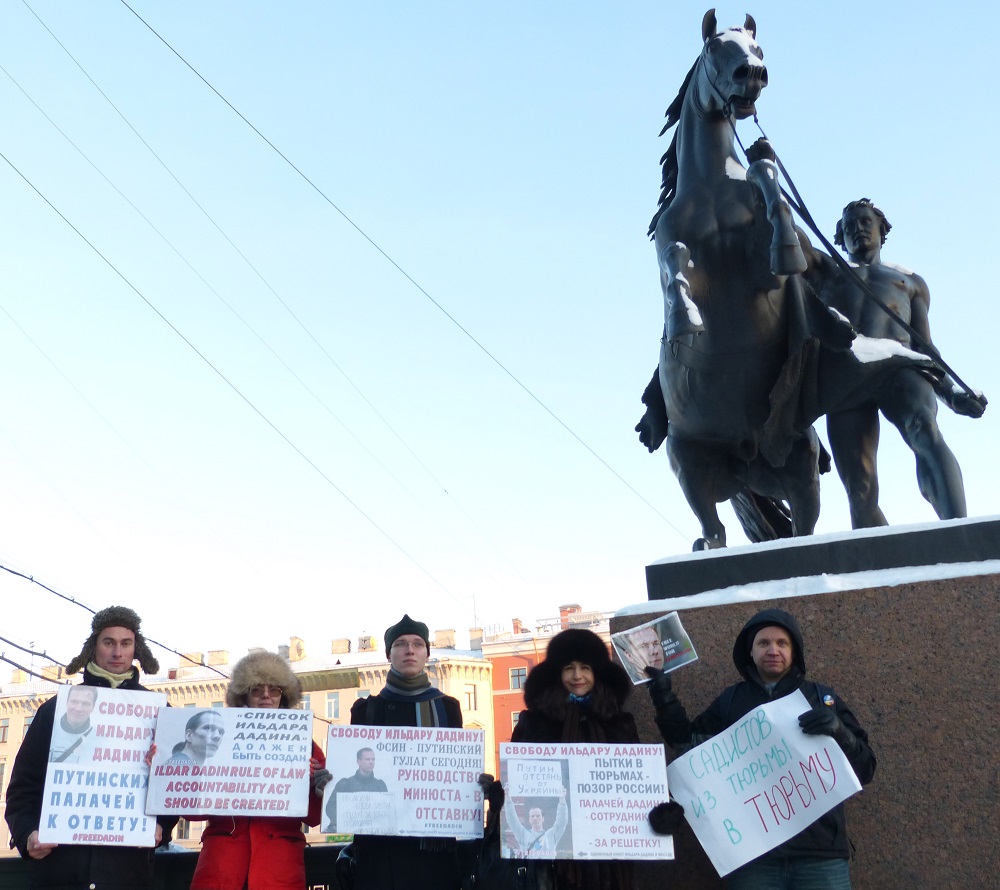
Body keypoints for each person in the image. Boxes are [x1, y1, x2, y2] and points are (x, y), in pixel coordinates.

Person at [646, 608, 876, 889]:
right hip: (754, 858)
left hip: (820, 854)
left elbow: (865, 769)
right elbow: (687, 746)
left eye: (782, 643)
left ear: (795, 651)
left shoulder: (821, 697)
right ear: (750, 652)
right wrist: (663, 697)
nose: (773, 650)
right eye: (763, 643)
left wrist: (842, 734)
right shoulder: (731, 700)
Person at [805, 198, 985, 528]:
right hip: (846, 374)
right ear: (840, 239)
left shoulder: (910, 282)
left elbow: (924, 345)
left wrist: (951, 393)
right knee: (858, 486)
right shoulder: (828, 271)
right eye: (848, 228)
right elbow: (789, 237)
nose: (856, 230)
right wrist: (764, 175)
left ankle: (959, 529)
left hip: (899, 365)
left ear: (881, 230)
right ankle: (877, 564)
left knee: (925, 431)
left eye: (864, 222)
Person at [5, 605, 176, 889]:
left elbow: (174, 785)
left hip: (126, 874)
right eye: (108, 642)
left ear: (137, 650)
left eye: (125, 643)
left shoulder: (159, 713)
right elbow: (23, 788)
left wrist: (163, 827)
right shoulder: (55, 709)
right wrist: (27, 835)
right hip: (58, 873)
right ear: (93, 647)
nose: (117, 653)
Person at [510, 628, 639, 890]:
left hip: (608, 853)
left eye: (585, 668)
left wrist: (658, 811)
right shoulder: (534, 723)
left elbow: (638, 784)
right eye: (569, 668)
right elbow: (516, 781)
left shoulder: (619, 723)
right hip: (554, 855)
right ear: (558, 674)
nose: (577, 676)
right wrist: (499, 793)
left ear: (597, 674)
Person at [187, 650, 327, 890]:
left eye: (274, 690)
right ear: (244, 696)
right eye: (256, 689)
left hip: (278, 870)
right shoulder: (218, 739)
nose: (266, 696)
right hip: (222, 867)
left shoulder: (303, 743)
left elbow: (314, 819)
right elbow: (190, 812)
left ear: (283, 697)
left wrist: (319, 788)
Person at [347, 614, 464, 890]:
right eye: (400, 644)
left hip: (434, 857)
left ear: (426, 654)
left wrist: (474, 783)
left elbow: (454, 771)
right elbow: (355, 777)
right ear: (389, 654)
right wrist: (329, 782)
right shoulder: (366, 710)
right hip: (379, 856)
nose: (409, 650)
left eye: (417, 644)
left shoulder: (447, 708)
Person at [324, 746, 388, 832]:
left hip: (373, 834)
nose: (371, 762)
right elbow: (330, 808)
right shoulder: (345, 784)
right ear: (359, 761)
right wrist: (345, 822)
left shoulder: (380, 785)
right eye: (367, 759)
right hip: (348, 835)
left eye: (373, 759)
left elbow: (387, 810)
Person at [503, 786, 569, 858]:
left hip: (548, 868)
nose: (535, 818)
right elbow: (512, 820)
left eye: (538, 816)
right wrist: (508, 798)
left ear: (542, 818)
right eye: (532, 816)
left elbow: (561, 822)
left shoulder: (551, 835)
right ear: (529, 820)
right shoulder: (523, 834)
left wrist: (562, 799)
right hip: (529, 868)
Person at [47, 685, 98, 764]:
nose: (78, 708)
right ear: (67, 703)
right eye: (74, 702)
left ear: (93, 707)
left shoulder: (100, 738)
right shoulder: (48, 727)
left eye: (85, 704)